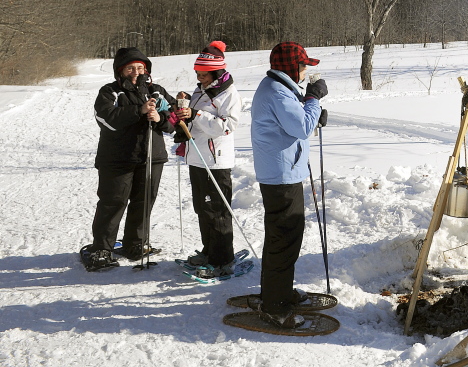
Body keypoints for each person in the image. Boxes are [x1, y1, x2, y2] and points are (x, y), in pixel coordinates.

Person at [250, 41, 327, 329]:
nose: (307, 72)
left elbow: (299, 123)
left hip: (282, 171)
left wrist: (313, 113)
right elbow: (301, 127)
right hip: (282, 176)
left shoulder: (278, 88)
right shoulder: (277, 92)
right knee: (285, 239)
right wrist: (314, 100)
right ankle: (275, 306)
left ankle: (276, 293)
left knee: (281, 238)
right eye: (304, 66)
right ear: (293, 67)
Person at [86, 47, 176, 270]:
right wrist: (139, 110)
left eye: (140, 67)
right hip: (118, 158)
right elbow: (106, 118)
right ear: (121, 70)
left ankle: (135, 244)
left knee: (144, 201)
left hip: (151, 157)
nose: (136, 71)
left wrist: (160, 118)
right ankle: (102, 249)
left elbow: (175, 118)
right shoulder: (111, 92)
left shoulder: (157, 91)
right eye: (130, 68)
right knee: (113, 203)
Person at [174, 41, 242, 278]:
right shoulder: (200, 90)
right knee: (202, 209)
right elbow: (194, 119)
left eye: (204, 74)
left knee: (217, 211)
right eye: (198, 74)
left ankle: (223, 259)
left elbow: (227, 126)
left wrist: (196, 114)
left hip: (216, 160)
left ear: (216, 72)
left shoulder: (228, 93)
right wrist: (183, 110)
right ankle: (209, 251)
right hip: (197, 157)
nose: (199, 78)